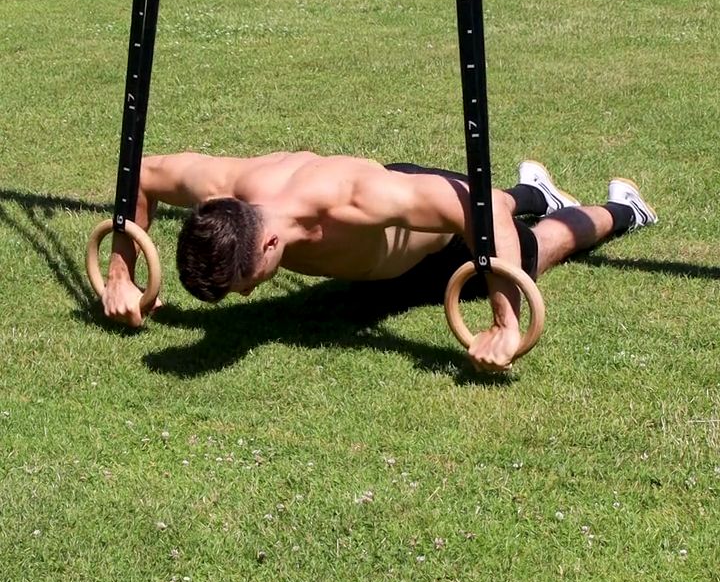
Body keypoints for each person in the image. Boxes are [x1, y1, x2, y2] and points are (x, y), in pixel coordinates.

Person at [102, 150, 657, 371]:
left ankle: (621, 208)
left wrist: (505, 323)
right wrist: (121, 274)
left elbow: (473, 209)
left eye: (244, 283)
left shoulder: (353, 199)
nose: (247, 296)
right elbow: (144, 173)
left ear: (268, 247)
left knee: (538, 246)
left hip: (440, 242)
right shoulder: (228, 190)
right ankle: (534, 189)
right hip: (380, 262)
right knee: (503, 203)